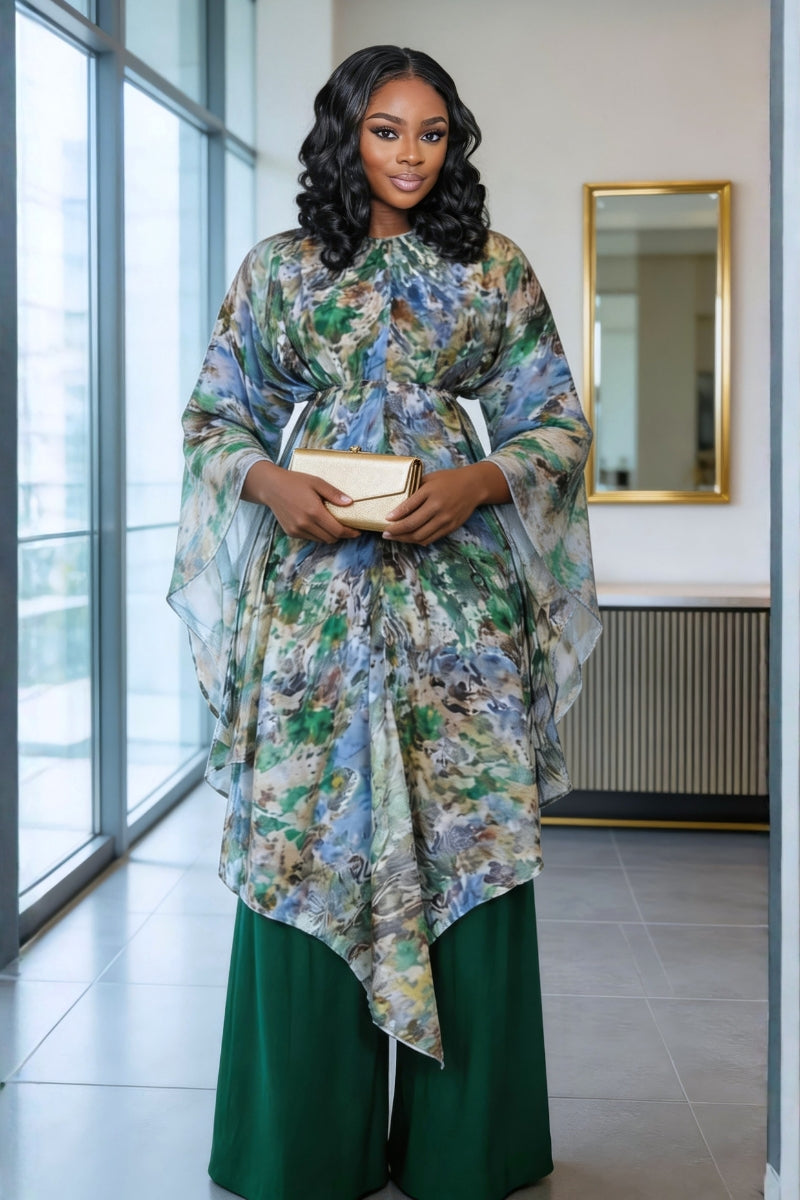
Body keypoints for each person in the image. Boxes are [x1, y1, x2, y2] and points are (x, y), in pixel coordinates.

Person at [168, 44, 601, 1200]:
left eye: (431, 133)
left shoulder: (491, 270)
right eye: (385, 130)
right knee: (309, 843)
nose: (411, 155)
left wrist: (476, 482)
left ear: (453, 142)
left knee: (466, 845)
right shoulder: (279, 272)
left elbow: (557, 426)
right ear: (344, 134)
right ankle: (299, 1149)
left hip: (459, 618)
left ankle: (472, 1152)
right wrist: (272, 485)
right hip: (313, 615)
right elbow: (214, 418)